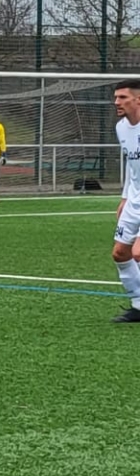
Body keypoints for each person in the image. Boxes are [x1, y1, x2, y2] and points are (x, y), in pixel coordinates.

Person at [108, 82, 140, 323]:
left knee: (138, 252)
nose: (116, 102)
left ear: (138, 100)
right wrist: (125, 198)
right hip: (135, 200)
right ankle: (138, 305)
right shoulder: (121, 128)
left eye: (122, 97)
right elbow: (132, 164)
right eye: (116, 97)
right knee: (120, 254)